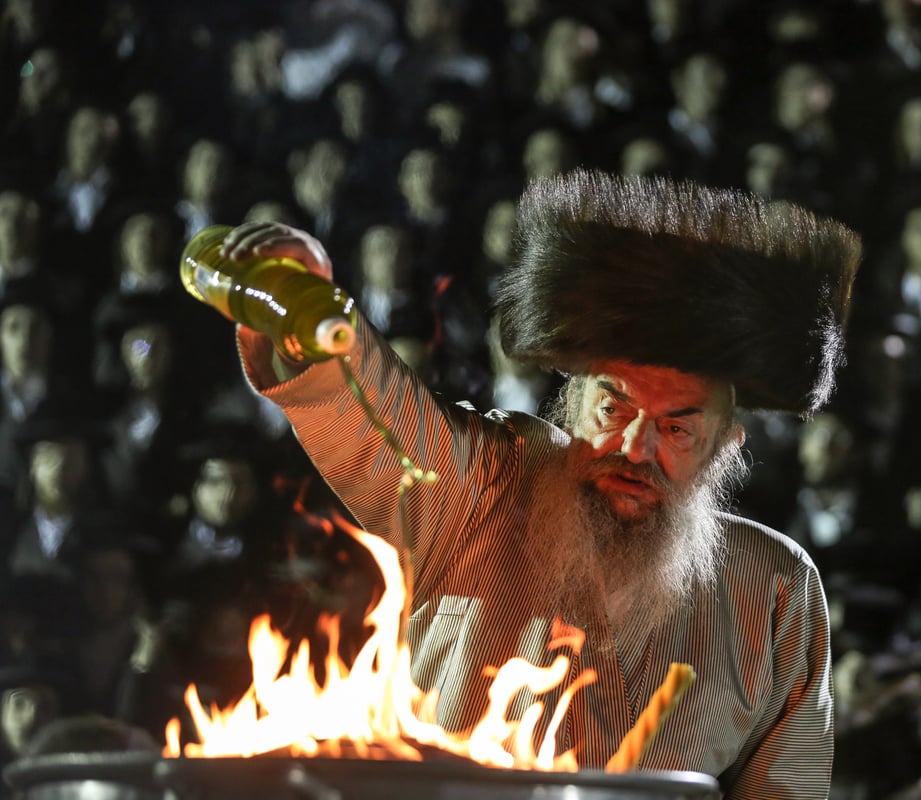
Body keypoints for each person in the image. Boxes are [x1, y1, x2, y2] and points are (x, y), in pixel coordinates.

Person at [216, 169, 860, 798]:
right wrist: (301, 311)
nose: (637, 449)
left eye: (678, 429)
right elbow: (370, 419)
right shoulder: (482, 488)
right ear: (571, 401)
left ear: (726, 447)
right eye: (614, 410)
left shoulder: (775, 589)